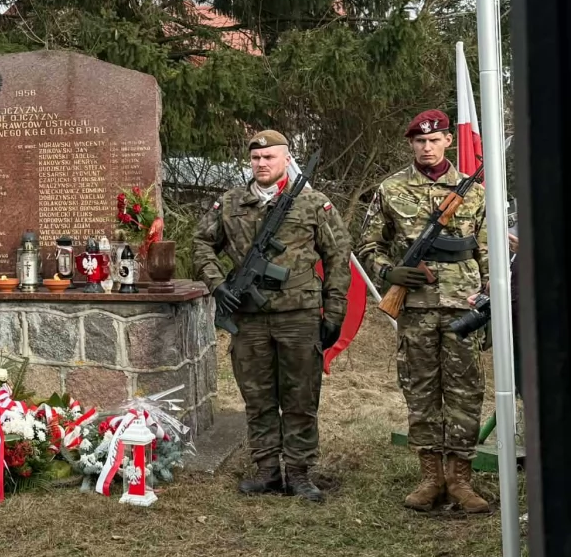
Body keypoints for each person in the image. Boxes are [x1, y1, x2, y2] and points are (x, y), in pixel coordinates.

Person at [193, 130, 351, 502]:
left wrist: (335, 310)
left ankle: (298, 472)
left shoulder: (312, 202)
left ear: (286, 160)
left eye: (270, 157)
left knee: (301, 396)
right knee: (258, 396)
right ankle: (266, 469)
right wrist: (218, 284)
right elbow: (201, 242)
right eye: (256, 158)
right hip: (248, 317)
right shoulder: (230, 202)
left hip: (299, 315)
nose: (262, 163)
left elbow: (338, 256)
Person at [357, 109, 490, 513]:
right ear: (411, 144)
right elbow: (368, 245)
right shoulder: (391, 189)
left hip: (463, 307)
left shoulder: (474, 192)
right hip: (415, 308)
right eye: (420, 141)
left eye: (434, 140)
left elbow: (487, 252)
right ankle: (431, 478)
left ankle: (461, 480)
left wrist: (490, 298)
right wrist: (388, 271)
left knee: (466, 392)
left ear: (448, 140)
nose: (427, 147)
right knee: (420, 390)